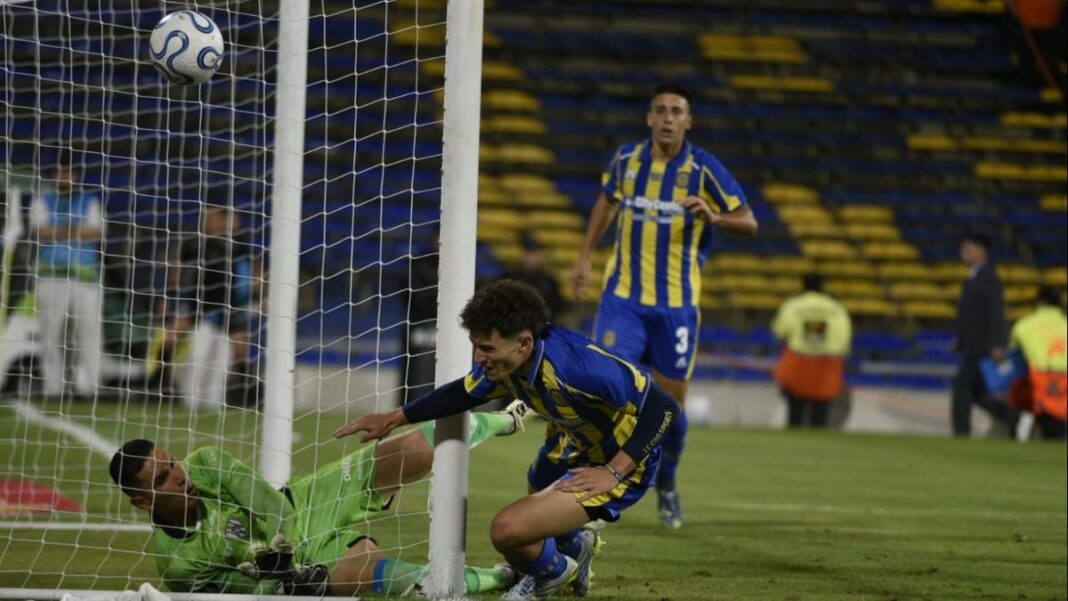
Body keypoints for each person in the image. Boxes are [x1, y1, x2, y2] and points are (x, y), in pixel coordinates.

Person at [334, 279, 679, 600]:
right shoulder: (511, 364)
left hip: (620, 460)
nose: (478, 358)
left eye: (486, 348)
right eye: (475, 347)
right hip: (572, 445)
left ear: (524, 343)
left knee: (508, 531)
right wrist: (394, 418)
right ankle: (575, 552)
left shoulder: (579, 369)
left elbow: (664, 408)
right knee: (538, 487)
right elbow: (461, 395)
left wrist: (614, 471)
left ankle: (553, 574)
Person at [569, 83, 757, 529]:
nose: (669, 118)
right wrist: (584, 255)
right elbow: (606, 203)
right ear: (649, 118)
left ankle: (667, 484)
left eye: (677, 111)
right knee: (607, 392)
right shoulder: (625, 161)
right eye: (661, 110)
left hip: (676, 308)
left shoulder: (704, 169)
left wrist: (715, 217)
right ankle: (597, 492)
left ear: (688, 121)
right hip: (622, 301)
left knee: (669, 408)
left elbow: (749, 220)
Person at [108, 405, 532, 595]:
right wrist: (278, 577)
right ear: (143, 503)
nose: (180, 476)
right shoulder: (178, 565)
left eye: (172, 463)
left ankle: (507, 419)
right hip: (302, 572)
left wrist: (276, 544)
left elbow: (274, 507)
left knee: (413, 448)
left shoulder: (206, 463)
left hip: (308, 503)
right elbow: (240, 593)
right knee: (400, 580)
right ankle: (505, 577)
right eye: (164, 478)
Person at [165, 203, 261, 409]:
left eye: (212, 216)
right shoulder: (196, 246)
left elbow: (253, 280)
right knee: (197, 357)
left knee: (221, 365)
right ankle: (188, 404)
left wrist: (256, 304)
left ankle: (213, 406)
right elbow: (178, 278)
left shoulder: (240, 247)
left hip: (231, 316)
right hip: (200, 314)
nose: (207, 221)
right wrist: (177, 309)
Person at [31, 163, 104, 397]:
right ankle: (53, 387)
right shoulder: (43, 200)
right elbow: (41, 231)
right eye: (61, 172)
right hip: (52, 277)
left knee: (89, 332)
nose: (65, 177)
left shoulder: (89, 201)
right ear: (54, 175)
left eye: (69, 172)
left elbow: (97, 232)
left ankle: (88, 386)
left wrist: (59, 232)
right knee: (50, 334)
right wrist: (77, 231)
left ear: (76, 175)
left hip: (86, 278)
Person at [951, 233, 1017, 437]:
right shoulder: (973, 276)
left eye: (968, 248)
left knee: (962, 390)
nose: (964, 252)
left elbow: (996, 312)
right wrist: (960, 339)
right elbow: (969, 314)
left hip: (982, 345)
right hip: (972, 344)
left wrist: (998, 343)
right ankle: (1014, 419)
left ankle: (961, 433)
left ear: (982, 250)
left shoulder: (989, 278)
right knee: (978, 394)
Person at [771, 273, 852, 428]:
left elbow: (779, 331)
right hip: (826, 362)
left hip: (799, 360)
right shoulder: (836, 308)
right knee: (821, 409)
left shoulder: (793, 305)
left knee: (795, 410)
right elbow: (844, 338)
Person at [1007, 286, 1067, 439]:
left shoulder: (1024, 325)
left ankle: (1021, 434)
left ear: (1039, 302)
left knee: (1019, 392)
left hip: (1039, 380)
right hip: (1064, 381)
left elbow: (1013, 353)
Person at [501, 232, 565, 320]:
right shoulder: (509, 277)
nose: (531, 258)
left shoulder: (549, 281)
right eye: (528, 253)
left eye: (534, 254)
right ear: (522, 254)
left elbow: (558, 306)